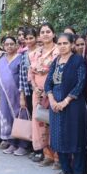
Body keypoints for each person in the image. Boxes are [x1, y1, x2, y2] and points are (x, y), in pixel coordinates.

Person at [45, 33, 87, 174]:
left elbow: (81, 83)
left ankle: (78, 172)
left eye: (65, 43)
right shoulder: (56, 61)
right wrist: (52, 100)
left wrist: (66, 101)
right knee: (58, 136)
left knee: (75, 137)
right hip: (55, 105)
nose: (62, 46)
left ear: (72, 45)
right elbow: (48, 83)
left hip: (73, 104)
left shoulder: (78, 60)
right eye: (60, 44)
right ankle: (65, 169)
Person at [28, 23, 60, 166]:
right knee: (40, 122)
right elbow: (31, 73)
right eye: (42, 32)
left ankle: (58, 157)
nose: (45, 34)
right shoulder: (35, 54)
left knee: (54, 123)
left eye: (48, 31)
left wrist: (49, 89)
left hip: (54, 92)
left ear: (53, 34)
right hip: (38, 93)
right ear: (39, 36)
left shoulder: (59, 51)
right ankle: (47, 154)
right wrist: (35, 87)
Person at [0, 36, 25, 154]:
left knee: (21, 118)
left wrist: (22, 95)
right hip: (4, 96)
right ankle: (12, 143)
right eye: (7, 44)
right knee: (7, 118)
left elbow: (23, 78)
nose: (9, 46)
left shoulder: (21, 58)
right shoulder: (1, 61)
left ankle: (22, 145)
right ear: (3, 46)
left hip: (18, 95)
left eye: (12, 44)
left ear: (16, 45)